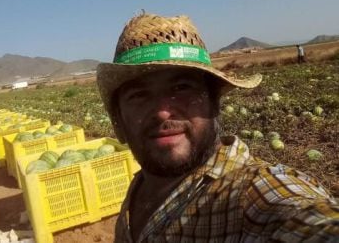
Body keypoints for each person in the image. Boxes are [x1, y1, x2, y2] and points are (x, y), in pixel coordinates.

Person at [96, 13, 339, 242]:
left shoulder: (250, 196)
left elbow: (309, 220)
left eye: (181, 88)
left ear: (214, 102)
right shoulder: (141, 186)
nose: (162, 112)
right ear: (119, 116)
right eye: (139, 95)